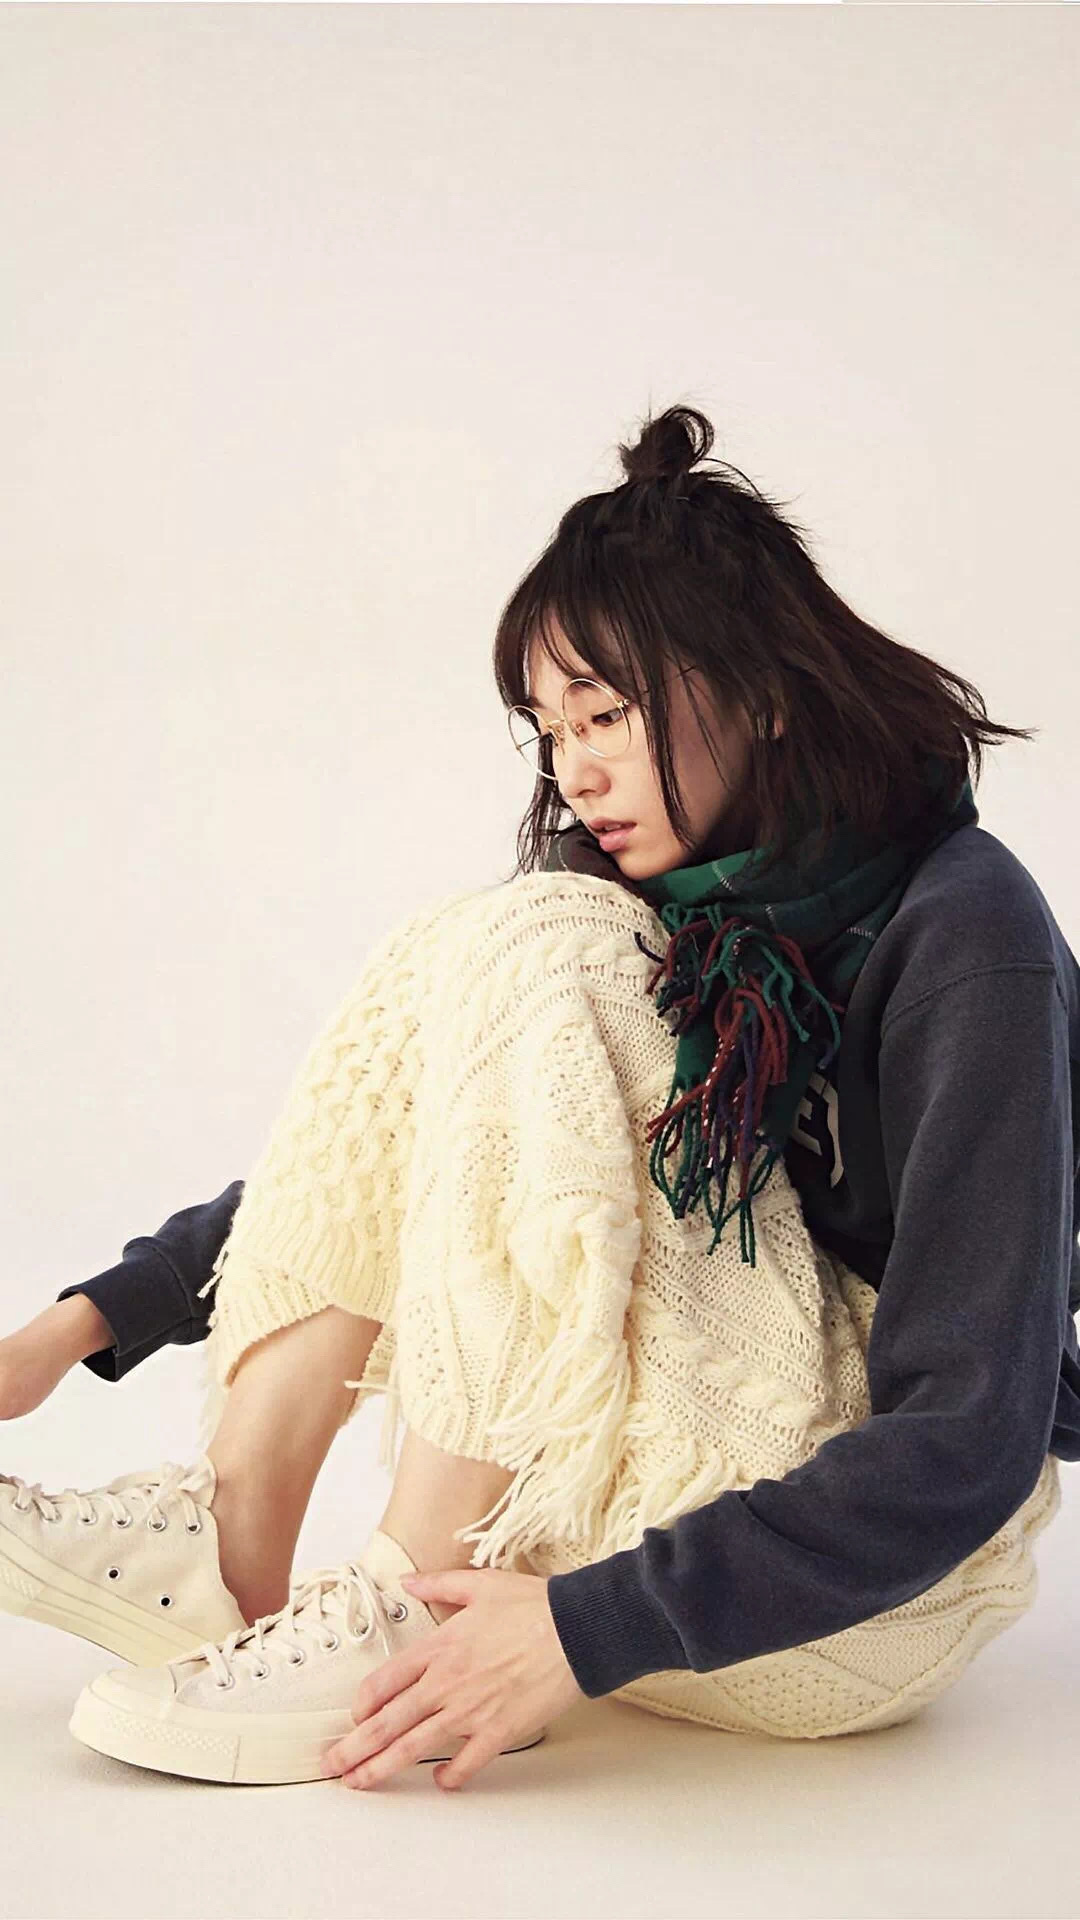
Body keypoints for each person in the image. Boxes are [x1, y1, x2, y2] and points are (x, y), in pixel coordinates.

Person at [2, 403, 1077, 1792]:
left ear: (762, 691)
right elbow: (444, 1151)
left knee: (527, 938)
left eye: (609, 714)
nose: (575, 769)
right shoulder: (650, 897)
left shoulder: (964, 938)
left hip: (859, 1609)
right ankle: (233, 1530)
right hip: (626, 1539)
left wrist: (585, 1630)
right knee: (490, 945)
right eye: (551, 729)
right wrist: (75, 1327)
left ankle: (404, 1599)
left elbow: (967, 1440)